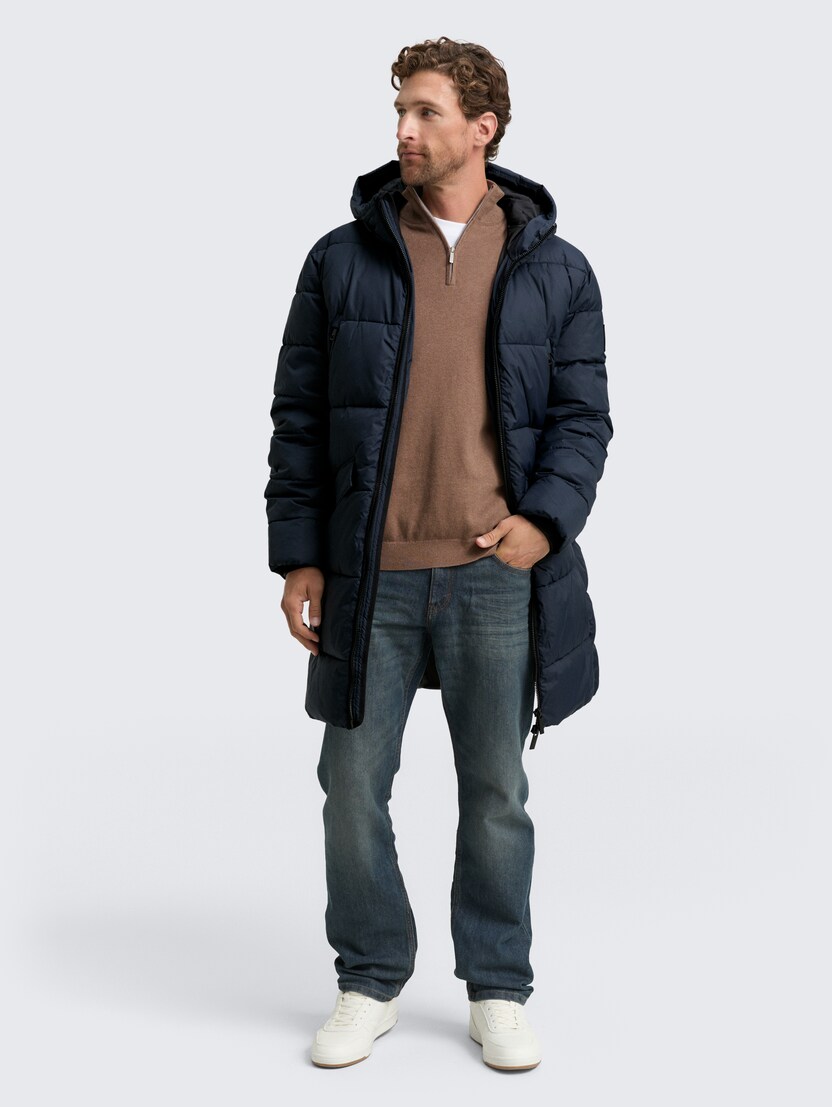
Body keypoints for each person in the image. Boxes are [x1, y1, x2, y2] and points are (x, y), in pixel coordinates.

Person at [264, 36, 612, 1071]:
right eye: (399, 112)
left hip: (494, 573)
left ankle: (497, 986)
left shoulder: (556, 267)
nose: (404, 131)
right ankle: (370, 977)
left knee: (495, 792)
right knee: (349, 784)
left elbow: (582, 420)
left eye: (425, 113)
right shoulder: (342, 258)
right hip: (369, 572)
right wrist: (300, 556)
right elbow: (298, 419)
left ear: (481, 128)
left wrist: (543, 522)